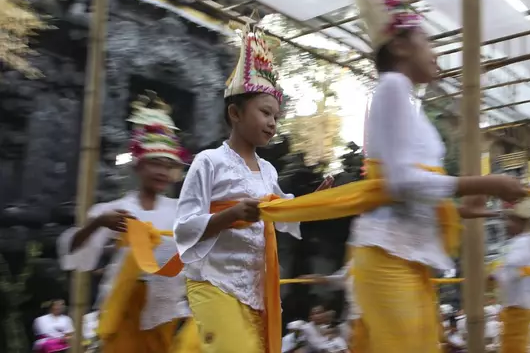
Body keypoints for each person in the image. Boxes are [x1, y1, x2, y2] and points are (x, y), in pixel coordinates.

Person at [346, 0, 526, 353]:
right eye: (427, 39)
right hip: (387, 256)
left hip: (403, 258)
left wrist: (475, 210)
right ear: (399, 48)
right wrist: (484, 185)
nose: (436, 50)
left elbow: (413, 198)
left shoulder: (406, 102)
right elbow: (402, 185)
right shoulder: (392, 87)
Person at [173, 23, 333, 353]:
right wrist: (229, 215)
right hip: (214, 283)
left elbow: (283, 213)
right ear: (235, 113)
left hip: (254, 290)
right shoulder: (209, 161)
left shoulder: (269, 171)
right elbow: (185, 228)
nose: (273, 123)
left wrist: (313, 202)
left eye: (276, 116)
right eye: (265, 113)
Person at [57, 92, 196, 353]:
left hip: (166, 310)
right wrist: (98, 223)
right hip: (123, 308)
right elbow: (72, 252)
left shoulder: (183, 211)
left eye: (168, 165)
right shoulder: (114, 210)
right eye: (155, 162)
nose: (162, 171)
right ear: (138, 166)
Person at [489, 199, 530, 353]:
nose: (506, 224)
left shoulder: (524, 242)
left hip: (518, 309)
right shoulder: (519, 242)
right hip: (514, 309)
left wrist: (491, 276)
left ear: (521, 221)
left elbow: (511, 268)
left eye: (510, 219)